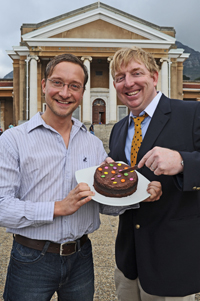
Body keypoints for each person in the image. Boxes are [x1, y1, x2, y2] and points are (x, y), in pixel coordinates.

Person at [0, 53, 161, 301]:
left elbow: (105, 203)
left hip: (81, 257)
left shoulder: (93, 144)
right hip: (31, 257)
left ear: (82, 92)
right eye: (57, 82)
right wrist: (56, 208)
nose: (65, 93)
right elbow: (2, 206)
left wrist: (140, 196)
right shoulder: (13, 140)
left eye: (74, 86)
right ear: (43, 85)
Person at [109, 46, 200, 301]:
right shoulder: (118, 130)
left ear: (154, 76)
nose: (128, 83)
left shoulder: (191, 113)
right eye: (120, 77)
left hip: (173, 262)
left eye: (136, 73)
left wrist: (183, 161)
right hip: (128, 262)